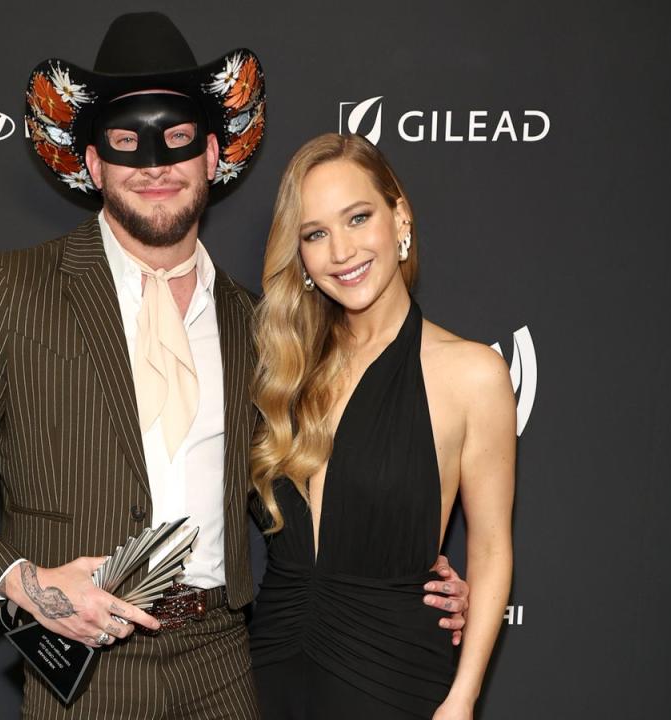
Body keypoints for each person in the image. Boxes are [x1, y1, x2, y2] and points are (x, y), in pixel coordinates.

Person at [0, 14, 470, 720]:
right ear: (92, 163)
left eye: (177, 141)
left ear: (212, 154)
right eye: (126, 144)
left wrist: (402, 575)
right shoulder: (16, 289)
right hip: (88, 669)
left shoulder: (256, 323)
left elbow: (303, 479)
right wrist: (22, 581)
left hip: (224, 660)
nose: (154, 166)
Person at [249, 133, 515, 719]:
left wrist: (462, 699)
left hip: (393, 678)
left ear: (400, 218)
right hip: (270, 671)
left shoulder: (473, 374)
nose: (340, 250)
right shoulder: (282, 369)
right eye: (316, 233)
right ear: (301, 256)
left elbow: (493, 547)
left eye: (358, 218)